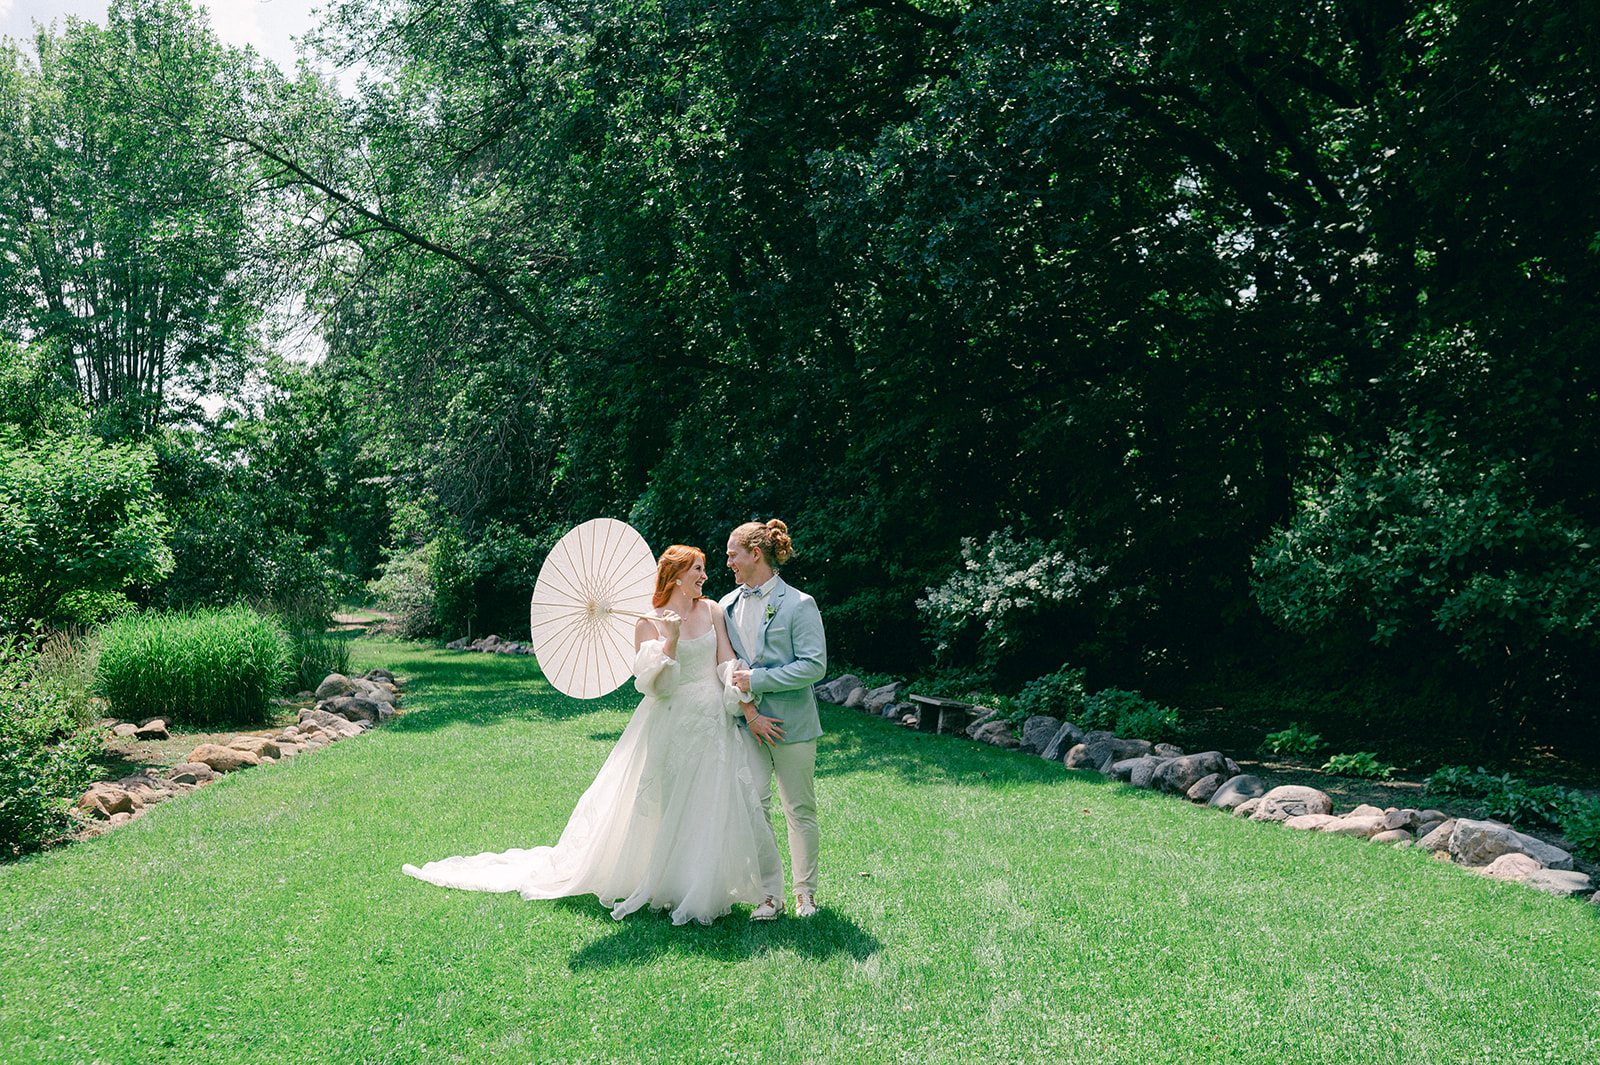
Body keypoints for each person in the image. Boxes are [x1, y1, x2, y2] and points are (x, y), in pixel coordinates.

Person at [402, 545, 781, 926]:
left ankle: (704, 885)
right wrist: (669, 639)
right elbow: (655, 687)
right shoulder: (647, 623)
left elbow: (726, 662)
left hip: (712, 721)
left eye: (704, 569)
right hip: (672, 723)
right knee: (672, 803)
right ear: (676, 576)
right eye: (698, 569)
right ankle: (671, 884)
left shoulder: (713, 610)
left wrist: (745, 702)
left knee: (710, 802)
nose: (704, 576)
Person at [722, 519, 827, 920]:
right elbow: (728, 665)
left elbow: (814, 665)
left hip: (793, 726)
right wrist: (749, 708)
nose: (728, 561)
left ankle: (806, 895)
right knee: (753, 806)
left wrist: (759, 679)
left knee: (798, 809)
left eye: (733, 554)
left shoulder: (799, 603)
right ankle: (770, 894)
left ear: (755, 554)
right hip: (748, 725)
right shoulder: (728, 606)